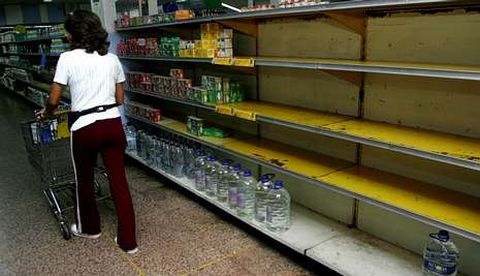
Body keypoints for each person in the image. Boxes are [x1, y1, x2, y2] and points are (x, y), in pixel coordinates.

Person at [39, 10, 137, 254]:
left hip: (84, 127)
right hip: (113, 125)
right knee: (119, 181)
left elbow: (54, 98)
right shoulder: (112, 59)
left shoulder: (67, 58)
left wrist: (48, 113)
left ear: (72, 35)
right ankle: (129, 242)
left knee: (84, 180)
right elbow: (120, 98)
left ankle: (90, 229)